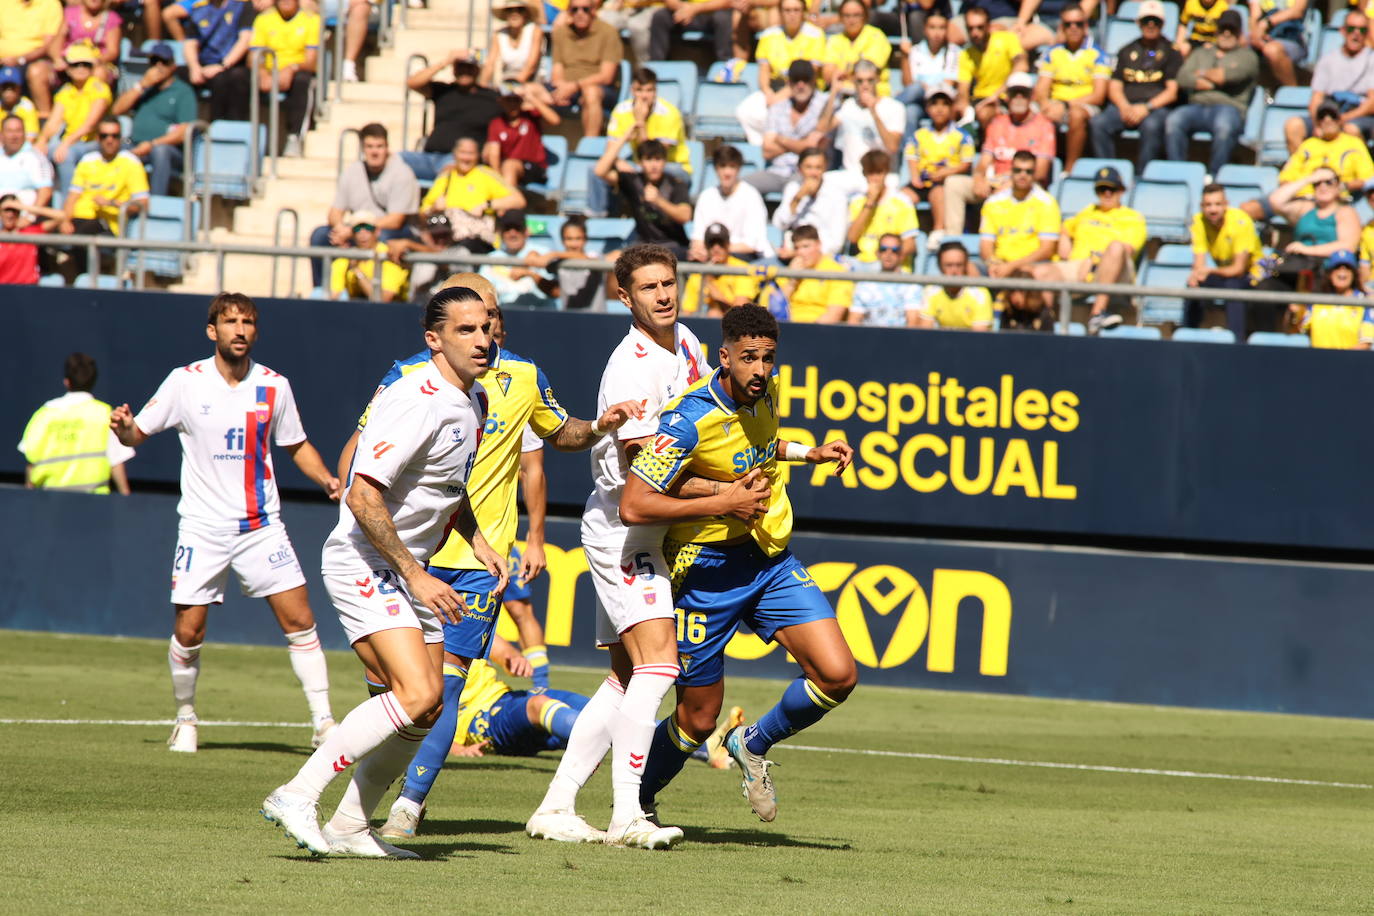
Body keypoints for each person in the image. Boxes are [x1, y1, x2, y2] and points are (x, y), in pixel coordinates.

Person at [327, 275, 645, 842]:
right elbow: (360, 446)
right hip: (408, 551)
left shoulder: (523, 375)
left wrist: (600, 426)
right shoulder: (409, 377)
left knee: (445, 687)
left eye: (493, 316)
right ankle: (350, 804)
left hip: (479, 556)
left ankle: (408, 807)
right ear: (443, 328)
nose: (488, 328)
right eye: (473, 319)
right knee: (394, 689)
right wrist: (349, 495)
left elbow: (559, 435)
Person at [260, 286, 504, 859]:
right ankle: (297, 793)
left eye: (486, 327)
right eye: (465, 330)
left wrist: (477, 538)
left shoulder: (474, 402)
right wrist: (414, 576)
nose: (481, 339)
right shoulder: (414, 397)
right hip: (364, 558)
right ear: (433, 339)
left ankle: (349, 825)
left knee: (431, 703)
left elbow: (444, 489)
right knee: (416, 691)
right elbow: (362, 495)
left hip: (404, 565)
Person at [528, 242, 748, 849]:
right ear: (625, 297)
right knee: (660, 664)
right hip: (624, 528)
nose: (665, 295)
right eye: (649, 287)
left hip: (652, 527)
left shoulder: (689, 345)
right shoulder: (629, 366)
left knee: (626, 677)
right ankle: (627, 813)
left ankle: (555, 806)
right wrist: (726, 489)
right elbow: (645, 468)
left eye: (670, 283)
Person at [623, 304, 857, 825]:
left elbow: (761, 445)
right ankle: (635, 803)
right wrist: (721, 503)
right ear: (724, 358)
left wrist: (807, 452)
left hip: (767, 557)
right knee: (698, 718)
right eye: (748, 359)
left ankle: (753, 742)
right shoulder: (688, 419)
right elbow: (634, 503)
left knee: (838, 675)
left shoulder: (764, 393)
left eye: (768, 359)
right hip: (704, 570)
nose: (759, 370)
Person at [109, 293, 339, 755]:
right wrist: (123, 429)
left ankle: (324, 724)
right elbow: (140, 432)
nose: (240, 329)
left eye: (248, 322)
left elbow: (296, 445)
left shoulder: (275, 385)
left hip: (261, 526)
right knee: (189, 631)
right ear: (212, 331)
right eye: (230, 321)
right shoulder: (185, 382)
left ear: (256, 330)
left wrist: (329, 480)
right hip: (201, 527)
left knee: (301, 620)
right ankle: (186, 719)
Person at [1032, 166, 1146, 333]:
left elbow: (1126, 250)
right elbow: (1065, 227)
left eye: (1112, 189)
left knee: (1115, 247)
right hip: (1078, 267)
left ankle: (1097, 314)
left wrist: (1093, 264)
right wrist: (1064, 238)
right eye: (1102, 189)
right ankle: (1045, 323)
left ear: (1121, 191)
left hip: (1114, 271)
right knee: (1040, 271)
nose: (1107, 194)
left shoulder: (1133, 218)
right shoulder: (1088, 211)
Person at [941, 71, 1054, 236]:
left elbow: (1040, 172)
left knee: (1002, 196)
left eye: (1024, 93)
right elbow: (984, 162)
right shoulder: (998, 123)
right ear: (1007, 96)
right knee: (953, 184)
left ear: (1032, 96)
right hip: (993, 181)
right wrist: (979, 178)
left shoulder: (1044, 126)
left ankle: (990, 240)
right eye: (1014, 93)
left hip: (1025, 183)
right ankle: (953, 240)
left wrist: (1009, 183)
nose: (1019, 98)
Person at [308, 125, 417, 288]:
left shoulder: (402, 173)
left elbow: (396, 220)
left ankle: (383, 291)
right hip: (356, 230)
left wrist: (353, 230)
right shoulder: (353, 170)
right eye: (369, 147)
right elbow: (334, 212)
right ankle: (322, 290)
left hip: (388, 230)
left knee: (386, 237)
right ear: (362, 148)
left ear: (387, 148)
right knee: (320, 236)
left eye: (379, 146)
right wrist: (340, 229)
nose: (375, 152)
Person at [444, 636, 588, 756]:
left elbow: (501, 650)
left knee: (595, 708)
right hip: (474, 719)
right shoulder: (425, 638)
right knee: (538, 706)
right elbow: (423, 709)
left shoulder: (463, 621)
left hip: (504, 697)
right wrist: (458, 749)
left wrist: (515, 659)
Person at [19, 351, 132, 494]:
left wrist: (30, 499)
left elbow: (31, 462)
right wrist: (126, 500)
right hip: (96, 505)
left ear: (67, 381)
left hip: (49, 503)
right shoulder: (104, 413)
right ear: (94, 380)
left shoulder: (44, 415)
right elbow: (117, 462)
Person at [586, 66, 690, 219]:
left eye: (649, 90)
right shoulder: (621, 111)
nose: (644, 96)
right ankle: (598, 221)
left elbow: (653, 155)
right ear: (632, 90)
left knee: (663, 169)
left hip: (669, 165)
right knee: (594, 170)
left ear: (656, 91)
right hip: (640, 165)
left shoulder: (669, 113)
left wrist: (640, 121)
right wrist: (618, 161)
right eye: (639, 90)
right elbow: (610, 149)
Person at [1165, 10, 1258, 178]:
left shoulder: (1248, 56)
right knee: (1174, 120)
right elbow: (1182, 77)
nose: (1227, 33)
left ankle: (1215, 176)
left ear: (1239, 32)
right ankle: (1177, 173)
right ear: (1216, 30)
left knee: (1224, 127)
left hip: (1229, 107)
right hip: (1196, 107)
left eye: (1232, 29)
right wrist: (1210, 75)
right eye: (1223, 28)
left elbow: (1226, 77)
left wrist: (1200, 73)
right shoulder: (1201, 52)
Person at [1089, 1, 1181, 169]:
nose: (1151, 25)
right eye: (1147, 21)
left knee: (1152, 126)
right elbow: (1115, 85)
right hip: (1125, 106)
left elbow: (1172, 92)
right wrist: (1124, 107)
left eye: (1156, 21)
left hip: (1155, 108)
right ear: (1138, 23)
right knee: (1099, 123)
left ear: (1163, 24)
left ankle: (1142, 175)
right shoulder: (1126, 50)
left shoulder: (1172, 52)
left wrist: (1146, 108)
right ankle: (1109, 172)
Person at [1243, 108, 1373, 223]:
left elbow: (1368, 178)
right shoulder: (1308, 145)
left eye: (1332, 116)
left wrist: (1342, 186)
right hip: (1299, 196)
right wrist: (1300, 188)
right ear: (1317, 123)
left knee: (1310, 212)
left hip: (1329, 198)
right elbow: (1285, 178)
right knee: (1246, 210)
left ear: (1339, 120)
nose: (1327, 120)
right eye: (1322, 117)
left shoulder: (1353, 143)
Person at [402, 52, 503, 183]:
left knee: (450, 172)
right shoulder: (444, 91)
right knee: (392, 161)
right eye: (461, 67)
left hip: (456, 160)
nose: (464, 72)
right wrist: (445, 61)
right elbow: (412, 83)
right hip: (428, 157)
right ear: (454, 70)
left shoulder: (492, 98)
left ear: (477, 70)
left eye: (469, 68)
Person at [109, 43, 196, 197]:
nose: (159, 66)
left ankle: (157, 203)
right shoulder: (144, 89)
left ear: (173, 65)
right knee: (110, 148)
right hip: (135, 145)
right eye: (154, 61)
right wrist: (142, 85)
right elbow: (117, 110)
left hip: (167, 149)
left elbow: (184, 132)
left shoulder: (183, 92)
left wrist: (152, 144)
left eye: (164, 62)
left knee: (160, 152)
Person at [736, 0, 827, 146]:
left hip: (804, 91)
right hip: (775, 88)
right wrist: (767, 92)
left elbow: (810, 74)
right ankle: (762, 148)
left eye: (796, 10)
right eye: (787, 10)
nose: (792, 15)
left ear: (803, 12)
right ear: (781, 12)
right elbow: (764, 70)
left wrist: (779, 97)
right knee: (746, 110)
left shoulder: (815, 35)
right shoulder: (769, 35)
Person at [1033, 4, 1108, 171]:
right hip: (1055, 103)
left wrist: (1066, 105)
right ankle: (1036, 168)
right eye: (1068, 24)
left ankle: (1069, 169)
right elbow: (1041, 89)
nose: (1073, 28)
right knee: (1029, 112)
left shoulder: (1098, 54)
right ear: (1061, 27)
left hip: (1084, 104)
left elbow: (1099, 95)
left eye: (1078, 24)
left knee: (1076, 115)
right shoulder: (1052, 53)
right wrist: (1046, 106)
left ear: (1086, 26)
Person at [419, 137, 527, 253]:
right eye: (462, 153)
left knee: (462, 252)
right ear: (455, 154)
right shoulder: (445, 177)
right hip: (446, 239)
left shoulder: (485, 174)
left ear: (478, 155)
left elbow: (519, 200)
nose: (466, 158)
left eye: (470, 153)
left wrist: (487, 205)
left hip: (478, 241)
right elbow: (421, 214)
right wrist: (434, 208)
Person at [747, 60, 836, 196]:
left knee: (793, 190)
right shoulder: (778, 107)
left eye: (805, 80)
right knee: (741, 188)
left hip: (806, 174)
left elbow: (816, 148)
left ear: (814, 82)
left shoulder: (825, 104)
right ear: (789, 83)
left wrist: (781, 140)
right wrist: (802, 143)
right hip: (777, 172)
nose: (801, 85)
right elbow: (767, 151)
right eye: (796, 80)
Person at [1187, 183, 1266, 335]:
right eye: (1208, 205)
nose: (1213, 210)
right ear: (1202, 206)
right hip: (1224, 274)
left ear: (1226, 205)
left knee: (1233, 287)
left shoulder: (1240, 222)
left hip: (1253, 275)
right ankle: (1188, 334)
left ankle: (1237, 341)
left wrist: (1209, 270)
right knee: (1193, 284)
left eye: (1217, 204)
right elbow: (1199, 263)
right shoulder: (1198, 221)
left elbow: (1239, 269)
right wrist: (1196, 275)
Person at [593, 136, 690, 256]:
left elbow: (685, 216)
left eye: (658, 159)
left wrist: (659, 201)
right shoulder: (634, 180)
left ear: (665, 161)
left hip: (673, 245)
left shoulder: (675, 184)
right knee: (613, 259)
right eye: (648, 159)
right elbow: (599, 171)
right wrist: (624, 137)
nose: (654, 165)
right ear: (639, 162)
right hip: (643, 245)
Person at [900, 82, 973, 241]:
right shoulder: (920, 135)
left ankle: (938, 230)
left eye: (945, 104)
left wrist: (946, 172)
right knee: (902, 197)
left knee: (938, 194)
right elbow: (911, 155)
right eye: (934, 104)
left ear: (952, 107)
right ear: (927, 108)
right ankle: (904, 233)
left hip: (943, 182)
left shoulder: (961, 136)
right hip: (923, 180)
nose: (939, 109)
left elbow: (966, 162)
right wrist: (914, 177)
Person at [34, 43, 111, 193]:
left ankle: (67, 205)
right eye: (76, 65)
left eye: (86, 65)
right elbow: (54, 121)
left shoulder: (99, 89)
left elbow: (90, 125)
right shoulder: (66, 91)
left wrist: (66, 143)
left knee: (66, 155)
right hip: (69, 142)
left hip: (92, 142)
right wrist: (42, 141)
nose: (81, 68)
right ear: (68, 69)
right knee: (36, 154)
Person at [250, 0, 319, 155]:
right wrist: (262, 74)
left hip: (297, 70)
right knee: (236, 78)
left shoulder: (311, 19)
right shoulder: (264, 19)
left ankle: (294, 137)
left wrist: (291, 69)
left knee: (303, 81)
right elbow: (253, 55)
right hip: (268, 71)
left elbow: (312, 61)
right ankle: (238, 135)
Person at [980, 149, 1061, 282]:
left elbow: (1047, 249)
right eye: (1018, 170)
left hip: (1032, 265)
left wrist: (1012, 266)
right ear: (1011, 171)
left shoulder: (1047, 202)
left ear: (1034, 174)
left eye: (1028, 171)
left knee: (1032, 273)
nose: (1023, 175)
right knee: (970, 268)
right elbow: (985, 245)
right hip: (999, 263)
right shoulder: (993, 202)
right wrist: (993, 263)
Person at [63, 117, 148, 242]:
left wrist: (111, 203)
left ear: (121, 138)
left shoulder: (131, 162)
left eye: (115, 136)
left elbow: (143, 204)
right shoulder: (87, 160)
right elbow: (72, 198)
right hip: (79, 219)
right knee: (42, 230)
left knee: (85, 233)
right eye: (104, 136)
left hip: (107, 225)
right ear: (97, 138)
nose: (109, 140)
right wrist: (65, 221)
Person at [548, 0, 622, 137]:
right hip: (566, 87)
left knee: (590, 93)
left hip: (599, 88)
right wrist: (562, 89)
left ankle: (590, 147)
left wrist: (575, 86)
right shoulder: (561, 33)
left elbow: (606, 77)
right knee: (530, 92)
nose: (580, 14)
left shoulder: (608, 32)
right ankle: (530, 150)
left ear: (593, 11)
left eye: (585, 9)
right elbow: (556, 73)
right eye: (575, 10)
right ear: (569, 12)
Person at [689, 145, 772, 262]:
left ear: (739, 169)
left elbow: (751, 245)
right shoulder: (706, 196)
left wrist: (718, 251)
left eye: (732, 167)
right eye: (722, 166)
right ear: (716, 169)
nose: (727, 172)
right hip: (712, 255)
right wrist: (701, 251)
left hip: (746, 258)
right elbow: (697, 238)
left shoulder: (751, 196)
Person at [181, 0, 255, 121]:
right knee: (178, 75)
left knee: (226, 79)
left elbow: (245, 40)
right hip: (204, 64)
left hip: (231, 65)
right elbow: (190, 43)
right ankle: (181, 127)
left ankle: (218, 128)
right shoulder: (198, 9)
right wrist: (195, 68)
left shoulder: (242, 7)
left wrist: (223, 65)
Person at [956, 4, 1028, 127]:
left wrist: (997, 94)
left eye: (980, 27)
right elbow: (963, 89)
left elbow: (1022, 65)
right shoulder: (966, 54)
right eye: (971, 28)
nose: (975, 33)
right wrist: (964, 109)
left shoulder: (1007, 39)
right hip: (981, 98)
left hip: (1006, 95)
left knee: (985, 113)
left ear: (989, 26)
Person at [830, 59, 905, 173]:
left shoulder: (895, 107)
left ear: (878, 79)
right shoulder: (848, 105)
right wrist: (833, 92)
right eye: (860, 81)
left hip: (881, 176)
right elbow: (822, 128)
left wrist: (873, 111)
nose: (865, 85)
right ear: (853, 81)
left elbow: (892, 146)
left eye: (870, 80)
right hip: (851, 175)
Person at [773, 146, 848, 258]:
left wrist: (805, 253)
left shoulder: (837, 196)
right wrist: (798, 198)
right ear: (800, 169)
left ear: (825, 168)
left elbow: (837, 242)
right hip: (792, 252)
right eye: (808, 167)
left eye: (818, 168)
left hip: (822, 257)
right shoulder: (793, 188)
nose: (813, 173)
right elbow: (779, 224)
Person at [847, 149, 918, 265]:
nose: (875, 178)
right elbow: (852, 237)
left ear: (886, 172)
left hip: (891, 265)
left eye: (879, 172)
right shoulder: (857, 202)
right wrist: (869, 203)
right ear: (864, 174)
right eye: (871, 173)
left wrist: (888, 259)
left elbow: (910, 244)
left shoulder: (901, 202)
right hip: (863, 262)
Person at [525, 214, 609, 309]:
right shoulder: (559, 262)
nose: (573, 244)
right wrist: (532, 261)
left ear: (585, 239)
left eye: (578, 238)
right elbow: (555, 291)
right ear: (562, 240)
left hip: (596, 320)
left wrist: (554, 254)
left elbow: (590, 260)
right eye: (569, 239)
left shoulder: (594, 256)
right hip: (569, 319)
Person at [484, 87, 558, 191]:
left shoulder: (531, 116)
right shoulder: (496, 123)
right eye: (508, 101)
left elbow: (555, 120)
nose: (512, 105)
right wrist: (497, 177)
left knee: (510, 165)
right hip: (507, 170)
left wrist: (531, 98)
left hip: (534, 168)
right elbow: (494, 154)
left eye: (515, 100)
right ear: (501, 102)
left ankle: (507, 202)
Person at [897, 11, 961, 130]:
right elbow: (908, 85)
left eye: (941, 28)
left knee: (917, 88)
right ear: (925, 29)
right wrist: (905, 57)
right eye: (932, 27)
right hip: (921, 102)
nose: (937, 33)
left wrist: (925, 87)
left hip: (942, 102)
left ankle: (889, 107)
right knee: (910, 112)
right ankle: (908, 148)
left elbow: (948, 85)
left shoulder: (954, 52)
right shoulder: (915, 51)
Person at [329, 209, 410, 302]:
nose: (362, 234)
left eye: (368, 228)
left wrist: (357, 271)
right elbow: (334, 297)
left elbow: (383, 299)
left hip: (393, 311)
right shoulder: (345, 259)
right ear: (352, 234)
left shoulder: (389, 255)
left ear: (377, 231)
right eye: (357, 229)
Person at [778, 223, 853, 322]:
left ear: (819, 244)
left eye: (806, 246)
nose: (801, 252)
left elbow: (834, 314)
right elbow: (775, 309)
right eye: (797, 248)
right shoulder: (790, 271)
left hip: (820, 330)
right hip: (787, 326)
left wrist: (809, 333)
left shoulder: (837, 271)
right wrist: (792, 281)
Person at [1296, 250, 1370, 348]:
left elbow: (1366, 343)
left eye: (1348, 268)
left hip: (1351, 361)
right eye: (1337, 267)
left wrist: (1341, 359)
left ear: (1354, 274)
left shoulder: (1364, 303)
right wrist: (1294, 313)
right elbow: (1300, 330)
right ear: (1330, 274)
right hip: (1317, 360)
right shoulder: (1318, 302)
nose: (1342, 271)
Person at [480, 210, 555, 308]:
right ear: (500, 233)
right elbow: (482, 293)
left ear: (526, 231)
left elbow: (554, 291)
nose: (512, 233)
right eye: (507, 229)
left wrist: (529, 273)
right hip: (506, 316)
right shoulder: (491, 258)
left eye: (517, 228)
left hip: (540, 315)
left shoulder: (544, 254)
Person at [0, 0, 60, 120]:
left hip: (35, 59)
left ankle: (44, 120)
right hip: (3, 59)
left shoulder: (50, 4)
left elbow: (49, 44)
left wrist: (20, 59)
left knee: (36, 72)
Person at [682, 222, 762, 314]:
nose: (716, 248)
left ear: (728, 245)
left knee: (714, 312)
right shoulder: (697, 275)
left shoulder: (742, 270)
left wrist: (717, 295)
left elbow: (741, 314)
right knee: (713, 311)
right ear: (706, 247)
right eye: (711, 244)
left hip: (736, 325)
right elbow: (687, 313)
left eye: (721, 243)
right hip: (703, 324)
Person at [916, 239, 994, 329]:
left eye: (959, 265)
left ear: (966, 266)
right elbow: (925, 333)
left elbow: (979, 339)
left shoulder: (980, 294)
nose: (954, 271)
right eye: (949, 265)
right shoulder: (931, 291)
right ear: (939, 266)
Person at [847, 232, 921, 327]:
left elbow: (912, 324)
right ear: (877, 253)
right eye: (883, 249)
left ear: (901, 254)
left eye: (894, 250)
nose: (888, 253)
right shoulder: (864, 284)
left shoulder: (911, 285)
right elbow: (854, 322)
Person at [823, 0, 891, 92]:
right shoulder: (835, 40)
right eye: (847, 15)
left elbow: (867, 74)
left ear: (865, 16)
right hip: (840, 94)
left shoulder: (876, 36)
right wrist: (852, 73)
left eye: (856, 15)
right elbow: (828, 75)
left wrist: (842, 74)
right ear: (840, 18)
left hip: (874, 96)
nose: (851, 20)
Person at [53, 0, 121, 87]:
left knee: (99, 73)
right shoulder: (69, 13)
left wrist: (91, 62)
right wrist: (58, 59)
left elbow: (112, 51)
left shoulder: (112, 18)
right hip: (70, 61)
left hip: (97, 63)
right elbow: (57, 41)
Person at [648, 0, 733, 64]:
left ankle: (725, 66)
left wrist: (695, 9)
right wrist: (684, 8)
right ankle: (657, 68)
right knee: (660, 16)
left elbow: (728, 2)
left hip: (711, 13)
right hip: (682, 12)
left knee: (723, 18)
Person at [482, 0, 544, 88]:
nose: (514, 13)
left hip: (531, 82)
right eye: (510, 10)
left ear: (526, 14)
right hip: (506, 81)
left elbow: (531, 66)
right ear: (505, 14)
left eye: (520, 10)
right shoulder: (499, 34)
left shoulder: (535, 31)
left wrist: (513, 86)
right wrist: (481, 88)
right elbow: (490, 64)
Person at [1248, 0, 1306, 87]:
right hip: (1265, 36)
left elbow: (1297, 11)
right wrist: (1256, 36)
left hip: (1291, 38)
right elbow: (1254, 15)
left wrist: (1266, 23)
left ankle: (1292, 93)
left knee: (1271, 50)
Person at [0, 114, 52, 205]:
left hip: (25, 213)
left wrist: (28, 217)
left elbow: (45, 191)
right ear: (1, 135)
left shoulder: (36, 158)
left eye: (18, 131)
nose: (14, 136)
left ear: (24, 133)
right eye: (9, 131)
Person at [0, 192, 44, 281]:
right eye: (6, 210)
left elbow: (62, 217)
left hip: (28, 289)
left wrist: (24, 208)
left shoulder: (30, 232)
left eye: (14, 210)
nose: (10, 215)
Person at [0, 66, 40, 141]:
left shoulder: (26, 106)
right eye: (5, 87)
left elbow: (31, 138)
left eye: (12, 87)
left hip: (21, 149)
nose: (8, 91)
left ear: (19, 88)